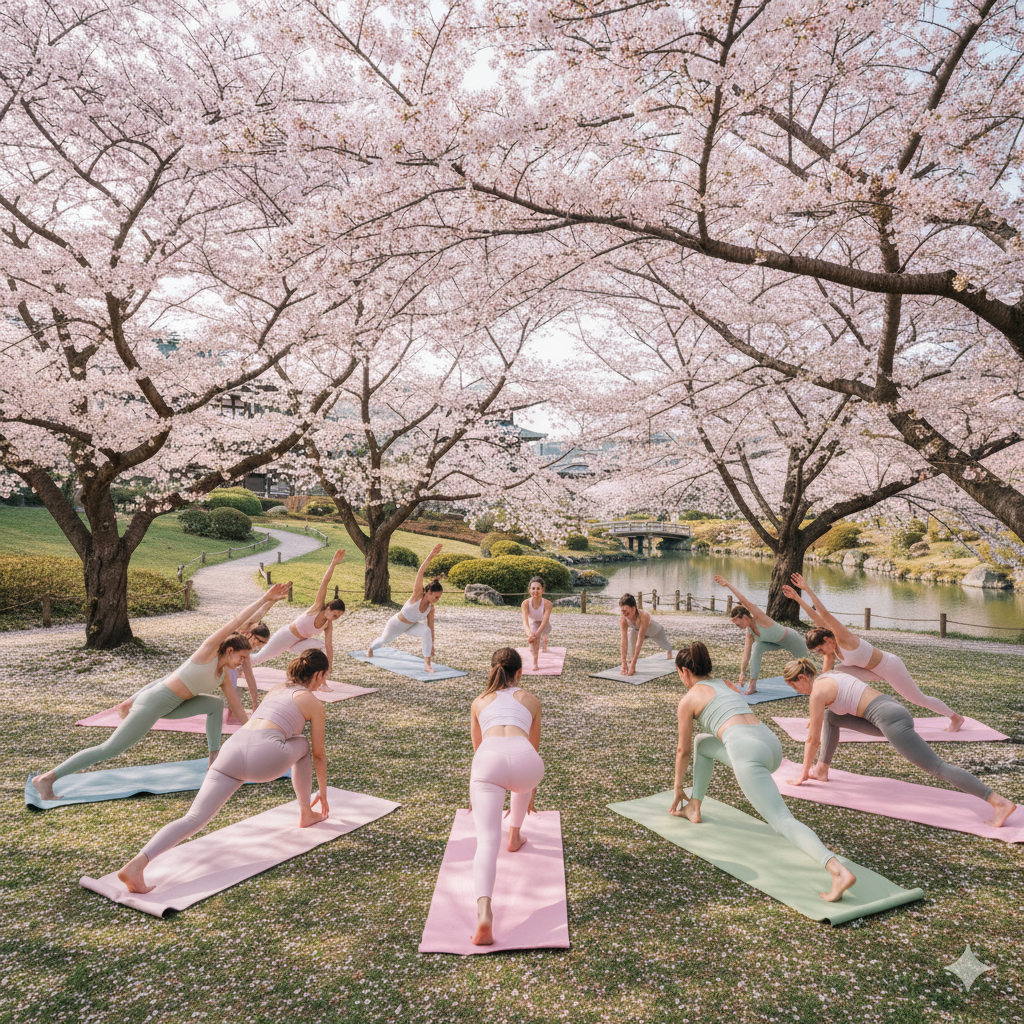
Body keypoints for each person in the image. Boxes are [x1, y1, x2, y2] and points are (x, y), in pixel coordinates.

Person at [30, 584, 292, 802]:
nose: (243, 663)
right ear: (230, 650)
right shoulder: (208, 651)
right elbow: (236, 621)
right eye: (243, 657)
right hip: (154, 702)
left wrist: (253, 734)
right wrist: (266, 597)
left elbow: (235, 707)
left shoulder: (223, 676)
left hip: (175, 704)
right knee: (110, 748)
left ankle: (214, 760)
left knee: (214, 705)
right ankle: (47, 779)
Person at [116, 647, 332, 894]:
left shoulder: (276, 690)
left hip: (233, 750)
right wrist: (322, 791)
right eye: (324, 677)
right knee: (302, 745)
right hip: (265, 757)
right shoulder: (313, 703)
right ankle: (306, 812)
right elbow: (318, 754)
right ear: (318, 675)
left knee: (194, 818)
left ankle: (137, 864)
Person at [669, 642, 857, 902]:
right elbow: (706, 735)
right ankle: (694, 806)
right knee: (704, 743)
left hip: (749, 751)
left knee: (781, 820)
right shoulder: (726, 683)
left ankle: (837, 871)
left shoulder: (688, 700)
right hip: (770, 745)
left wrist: (679, 788)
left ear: (684, 672)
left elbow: (682, 751)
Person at [782, 658, 1017, 827]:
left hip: (888, 719)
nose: (797, 691)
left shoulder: (817, 693)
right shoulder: (829, 674)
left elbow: (812, 740)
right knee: (832, 717)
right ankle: (821, 769)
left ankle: (998, 802)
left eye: (795, 686)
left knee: (936, 767)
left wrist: (802, 774)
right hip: (889, 710)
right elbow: (831, 714)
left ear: (802, 677)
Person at [782, 573, 964, 732]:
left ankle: (955, 717)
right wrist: (797, 599)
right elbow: (816, 618)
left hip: (888, 667)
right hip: (868, 671)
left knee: (917, 698)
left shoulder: (843, 638)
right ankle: (836, 715)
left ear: (827, 640)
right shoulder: (828, 640)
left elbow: (824, 613)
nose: (821, 653)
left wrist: (807, 588)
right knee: (831, 677)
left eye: (821, 649)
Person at [468, 647, 544, 945]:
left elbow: (480, 751)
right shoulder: (531, 700)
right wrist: (530, 789)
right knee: (520, 775)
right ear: (520, 673)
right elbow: (532, 749)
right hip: (527, 764)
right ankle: (515, 835)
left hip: (489, 762)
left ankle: (485, 912)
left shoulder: (479, 702)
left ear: (492, 670)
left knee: (487, 840)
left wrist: (480, 789)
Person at [714, 575, 809, 694]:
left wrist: (728, 584)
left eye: (738, 624)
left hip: (790, 639)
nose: (738, 627)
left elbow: (744, 601)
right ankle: (752, 686)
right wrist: (742, 673)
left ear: (744, 617)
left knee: (808, 664)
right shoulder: (750, 632)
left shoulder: (759, 617)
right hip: (775, 643)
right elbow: (746, 652)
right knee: (757, 647)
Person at [250, 550, 346, 666]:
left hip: (299, 644)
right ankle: (233, 662)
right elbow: (325, 582)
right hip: (285, 637)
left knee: (322, 647)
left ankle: (318, 679)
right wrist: (333, 563)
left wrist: (329, 667)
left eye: (338, 617)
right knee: (258, 659)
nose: (335, 618)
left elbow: (329, 646)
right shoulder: (317, 607)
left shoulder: (328, 624)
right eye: (335, 614)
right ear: (328, 608)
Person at [365, 543, 444, 673]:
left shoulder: (431, 608)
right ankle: (371, 648)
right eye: (436, 597)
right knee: (384, 640)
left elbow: (431, 627)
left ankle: (427, 664)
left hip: (411, 626)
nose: (437, 600)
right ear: (428, 592)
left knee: (426, 632)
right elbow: (420, 571)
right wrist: (432, 555)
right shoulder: (417, 594)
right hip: (396, 624)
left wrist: (432, 645)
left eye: (439, 597)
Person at [618, 593, 673, 676]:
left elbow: (640, 641)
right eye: (622, 611)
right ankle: (630, 658)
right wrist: (623, 663)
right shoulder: (623, 620)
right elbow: (624, 642)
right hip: (637, 630)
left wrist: (634, 664)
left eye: (626, 611)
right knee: (632, 633)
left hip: (655, 631)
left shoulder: (644, 616)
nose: (624, 613)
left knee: (665, 644)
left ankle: (670, 650)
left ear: (633, 608)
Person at [520, 576, 553, 671]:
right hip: (534, 622)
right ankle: (535, 660)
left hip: (544, 624)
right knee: (534, 641)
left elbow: (544, 621)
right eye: (533, 588)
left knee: (543, 637)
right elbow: (525, 622)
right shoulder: (525, 604)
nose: (535, 591)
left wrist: (536, 635)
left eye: (538, 588)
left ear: (543, 590)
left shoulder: (548, 604)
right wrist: (530, 635)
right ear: (529, 590)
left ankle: (544, 642)